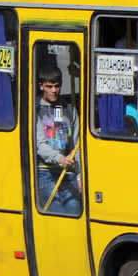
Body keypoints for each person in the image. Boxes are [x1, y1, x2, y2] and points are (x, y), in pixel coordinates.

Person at [36, 66, 81, 215]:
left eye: (57, 86)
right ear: (41, 86)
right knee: (55, 214)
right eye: (49, 86)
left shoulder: (69, 109)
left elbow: (77, 143)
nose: (53, 91)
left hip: (68, 171)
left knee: (73, 212)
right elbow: (39, 143)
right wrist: (59, 158)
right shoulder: (36, 109)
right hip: (45, 171)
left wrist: (80, 176)